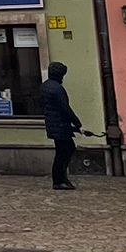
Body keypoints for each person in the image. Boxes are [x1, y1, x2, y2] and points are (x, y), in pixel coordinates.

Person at [41, 60, 81, 190]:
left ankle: (60, 179)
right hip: (60, 124)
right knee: (65, 151)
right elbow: (65, 108)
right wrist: (76, 122)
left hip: (53, 123)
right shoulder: (57, 89)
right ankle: (59, 180)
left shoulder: (46, 86)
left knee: (63, 151)